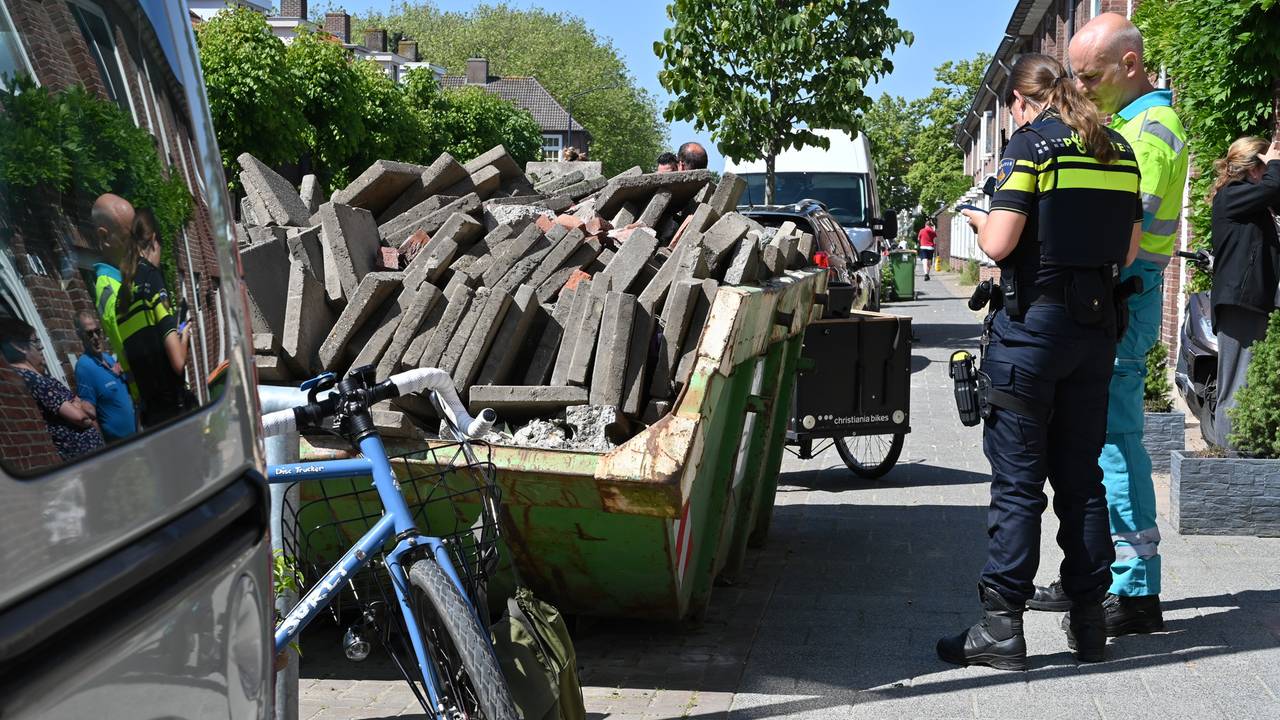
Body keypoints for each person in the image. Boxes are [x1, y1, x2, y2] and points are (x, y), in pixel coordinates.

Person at [940, 52, 1143, 671]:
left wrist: (977, 218)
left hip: (1032, 331)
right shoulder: (1119, 150)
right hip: (1095, 328)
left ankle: (1001, 627)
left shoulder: (1031, 148)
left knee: (1019, 482)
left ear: (1022, 103)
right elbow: (1129, 248)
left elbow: (1000, 243)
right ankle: (1089, 624)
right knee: (1081, 479)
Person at [1028, 13, 1191, 636]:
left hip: (1122, 295)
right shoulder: (1131, 123)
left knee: (1114, 441)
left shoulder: (1149, 131)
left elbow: (1117, 231)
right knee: (1097, 439)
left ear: (1129, 65)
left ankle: (1134, 587)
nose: (1081, 86)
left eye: (1089, 76)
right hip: (1118, 294)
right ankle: (1096, 574)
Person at [1205, 138, 1280, 447]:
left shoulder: (1249, 200)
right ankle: (1228, 458)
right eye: (1266, 166)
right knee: (1235, 385)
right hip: (1239, 301)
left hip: (1249, 301)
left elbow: (1275, 195)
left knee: (1243, 382)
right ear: (1252, 169)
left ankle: (1234, 454)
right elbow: (1272, 188)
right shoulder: (1231, 196)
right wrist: (1275, 161)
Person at [118, 209, 193, 427]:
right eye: (161, 245)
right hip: (175, 412)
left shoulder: (121, 296)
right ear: (153, 240)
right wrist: (184, 334)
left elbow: (129, 363)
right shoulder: (152, 279)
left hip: (149, 417)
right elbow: (178, 363)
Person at [1, 318, 104, 461]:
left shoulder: (41, 377)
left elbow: (85, 408)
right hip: (83, 459)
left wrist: (77, 405)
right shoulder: (33, 380)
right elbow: (81, 417)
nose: (41, 347)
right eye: (35, 342)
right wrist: (79, 409)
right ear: (19, 347)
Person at [90, 193, 137, 398]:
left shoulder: (121, 280)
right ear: (104, 237)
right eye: (128, 238)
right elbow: (136, 352)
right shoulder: (111, 292)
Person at [74, 309, 137, 442]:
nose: (96, 338)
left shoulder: (108, 358)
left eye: (97, 331)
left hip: (138, 434)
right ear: (79, 335)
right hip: (120, 446)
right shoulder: (84, 367)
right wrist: (104, 449)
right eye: (89, 334)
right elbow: (89, 412)